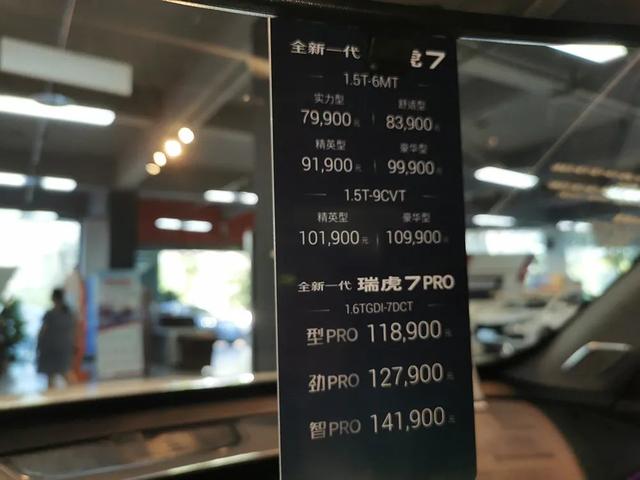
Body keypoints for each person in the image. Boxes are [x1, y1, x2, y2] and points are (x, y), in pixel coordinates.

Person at [37, 288, 76, 389]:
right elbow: (73, 331)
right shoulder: (69, 314)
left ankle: (52, 396)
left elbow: (42, 331)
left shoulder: (50, 314)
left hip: (51, 348)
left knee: (51, 375)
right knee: (66, 372)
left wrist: (38, 345)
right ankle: (77, 393)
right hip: (65, 347)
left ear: (53, 298)